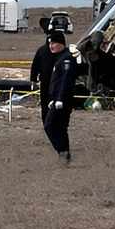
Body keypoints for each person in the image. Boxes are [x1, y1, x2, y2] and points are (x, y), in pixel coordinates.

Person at [43, 32, 77, 165]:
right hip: (57, 99)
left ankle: (62, 151)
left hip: (63, 101)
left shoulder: (66, 59)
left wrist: (60, 99)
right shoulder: (60, 58)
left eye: (54, 43)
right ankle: (65, 154)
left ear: (61, 44)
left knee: (49, 125)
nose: (51, 46)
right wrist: (52, 98)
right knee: (61, 127)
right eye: (50, 43)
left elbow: (65, 81)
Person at [29, 34, 56, 122]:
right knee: (45, 102)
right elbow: (35, 66)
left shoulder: (58, 51)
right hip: (45, 80)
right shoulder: (42, 50)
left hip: (56, 81)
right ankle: (46, 119)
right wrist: (33, 79)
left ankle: (52, 119)